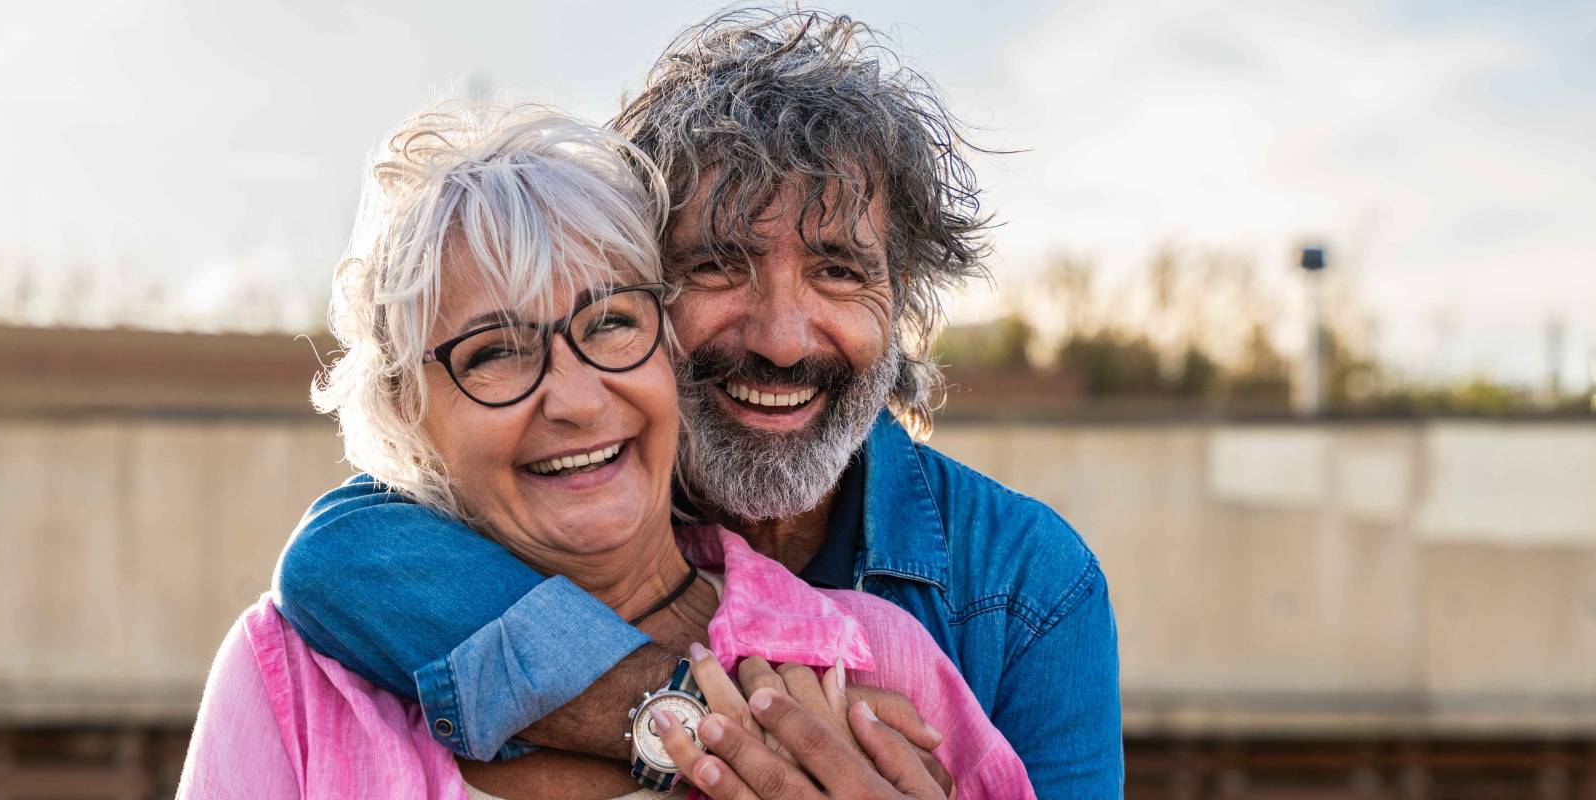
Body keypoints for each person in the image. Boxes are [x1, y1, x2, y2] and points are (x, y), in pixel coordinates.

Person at [273, 9, 1122, 798]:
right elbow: (337, 554)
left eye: (839, 270)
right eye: (718, 264)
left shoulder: (1028, 586)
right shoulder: (574, 491)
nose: (783, 339)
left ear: (901, 306)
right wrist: (688, 720)